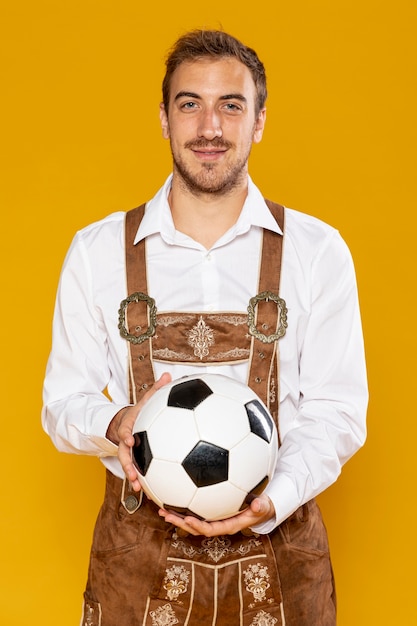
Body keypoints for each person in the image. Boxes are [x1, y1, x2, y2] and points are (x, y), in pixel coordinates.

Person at [42, 29, 368, 626]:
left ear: (260, 121)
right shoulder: (96, 251)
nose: (210, 127)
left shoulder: (318, 252)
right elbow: (62, 403)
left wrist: (273, 497)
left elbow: (338, 412)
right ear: (164, 119)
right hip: (136, 571)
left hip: (280, 563)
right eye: (189, 104)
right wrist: (116, 421)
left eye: (231, 105)